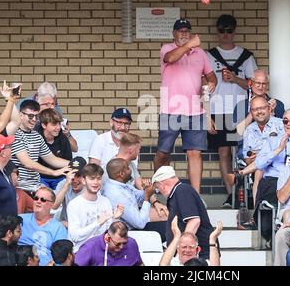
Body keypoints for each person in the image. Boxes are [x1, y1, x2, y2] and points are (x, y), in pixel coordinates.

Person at [153, 18, 217, 193]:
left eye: (186, 31)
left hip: (196, 111)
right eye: (180, 31)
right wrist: (190, 45)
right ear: (173, 33)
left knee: (195, 154)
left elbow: (211, 76)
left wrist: (211, 84)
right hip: (170, 110)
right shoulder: (167, 48)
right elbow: (171, 58)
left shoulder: (200, 54)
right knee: (163, 153)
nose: (183, 34)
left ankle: (195, 195)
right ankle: (159, 185)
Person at [206, 14, 257, 203]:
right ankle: (231, 193)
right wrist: (205, 114)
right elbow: (202, 86)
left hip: (241, 109)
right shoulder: (209, 56)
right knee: (224, 152)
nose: (225, 35)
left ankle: (245, 192)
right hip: (217, 108)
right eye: (222, 31)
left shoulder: (245, 56)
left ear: (234, 32)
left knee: (242, 152)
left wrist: (235, 79)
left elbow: (254, 85)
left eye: (229, 31)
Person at [151, 165, 214, 259]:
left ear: (162, 184)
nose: (159, 191)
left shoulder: (182, 190)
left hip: (198, 256)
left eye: (157, 188)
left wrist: (182, 248)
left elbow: (194, 221)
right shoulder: (178, 192)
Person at [11, 99, 71, 193]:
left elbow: (51, 159)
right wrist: (53, 172)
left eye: (36, 116)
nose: (34, 119)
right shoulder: (15, 134)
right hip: (19, 186)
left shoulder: (36, 136)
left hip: (35, 186)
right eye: (30, 116)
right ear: (21, 115)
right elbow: (27, 163)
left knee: (53, 200)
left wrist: (74, 164)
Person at [103, 158, 167, 239]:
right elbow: (140, 223)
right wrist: (147, 197)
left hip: (137, 224)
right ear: (121, 174)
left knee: (168, 216)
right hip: (128, 234)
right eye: (128, 168)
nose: (131, 170)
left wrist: (148, 188)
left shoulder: (121, 184)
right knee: (168, 227)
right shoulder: (115, 193)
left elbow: (139, 197)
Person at [237, 96, 284, 208]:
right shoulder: (249, 130)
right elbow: (247, 157)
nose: (259, 112)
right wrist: (253, 157)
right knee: (259, 169)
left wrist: (262, 155)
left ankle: (256, 213)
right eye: (255, 109)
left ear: (269, 108)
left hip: (278, 164)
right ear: (251, 112)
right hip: (258, 166)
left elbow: (284, 149)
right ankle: (257, 212)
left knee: (260, 169)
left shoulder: (281, 124)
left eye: (262, 108)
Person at [67, 163, 124, 253]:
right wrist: (97, 223)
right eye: (91, 178)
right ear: (83, 180)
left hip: (104, 250)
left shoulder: (106, 202)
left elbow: (110, 233)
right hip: (83, 251)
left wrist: (116, 218)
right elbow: (75, 237)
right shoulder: (74, 205)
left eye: (99, 178)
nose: (96, 182)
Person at [18, 186, 68, 266]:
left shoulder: (58, 229)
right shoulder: (20, 220)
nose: (38, 201)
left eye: (43, 200)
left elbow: (62, 257)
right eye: (36, 198)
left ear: (51, 204)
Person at [88, 107, 133, 177]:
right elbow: (92, 170)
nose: (123, 127)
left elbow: (133, 171)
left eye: (127, 123)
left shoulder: (132, 143)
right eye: (119, 123)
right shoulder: (100, 140)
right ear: (111, 122)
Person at [74, 221, 143, 266]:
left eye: (124, 243)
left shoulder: (131, 244)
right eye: (118, 244)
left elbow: (139, 264)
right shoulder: (89, 248)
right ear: (107, 238)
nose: (121, 247)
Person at [37, 108, 73, 190]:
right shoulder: (36, 138)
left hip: (61, 177)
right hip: (41, 178)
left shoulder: (63, 138)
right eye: (54, 124)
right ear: (44, 125)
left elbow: (69, 162)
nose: (58, 128)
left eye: (59, 124)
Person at [53, 156, 86, 226]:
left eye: (78, 175)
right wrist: (67, 184)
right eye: (71, 174)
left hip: (83, 226)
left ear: (85, 175)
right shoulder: (64, 183)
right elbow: (54, 205)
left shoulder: (90, 186)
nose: (74, 179)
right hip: (65, 224)